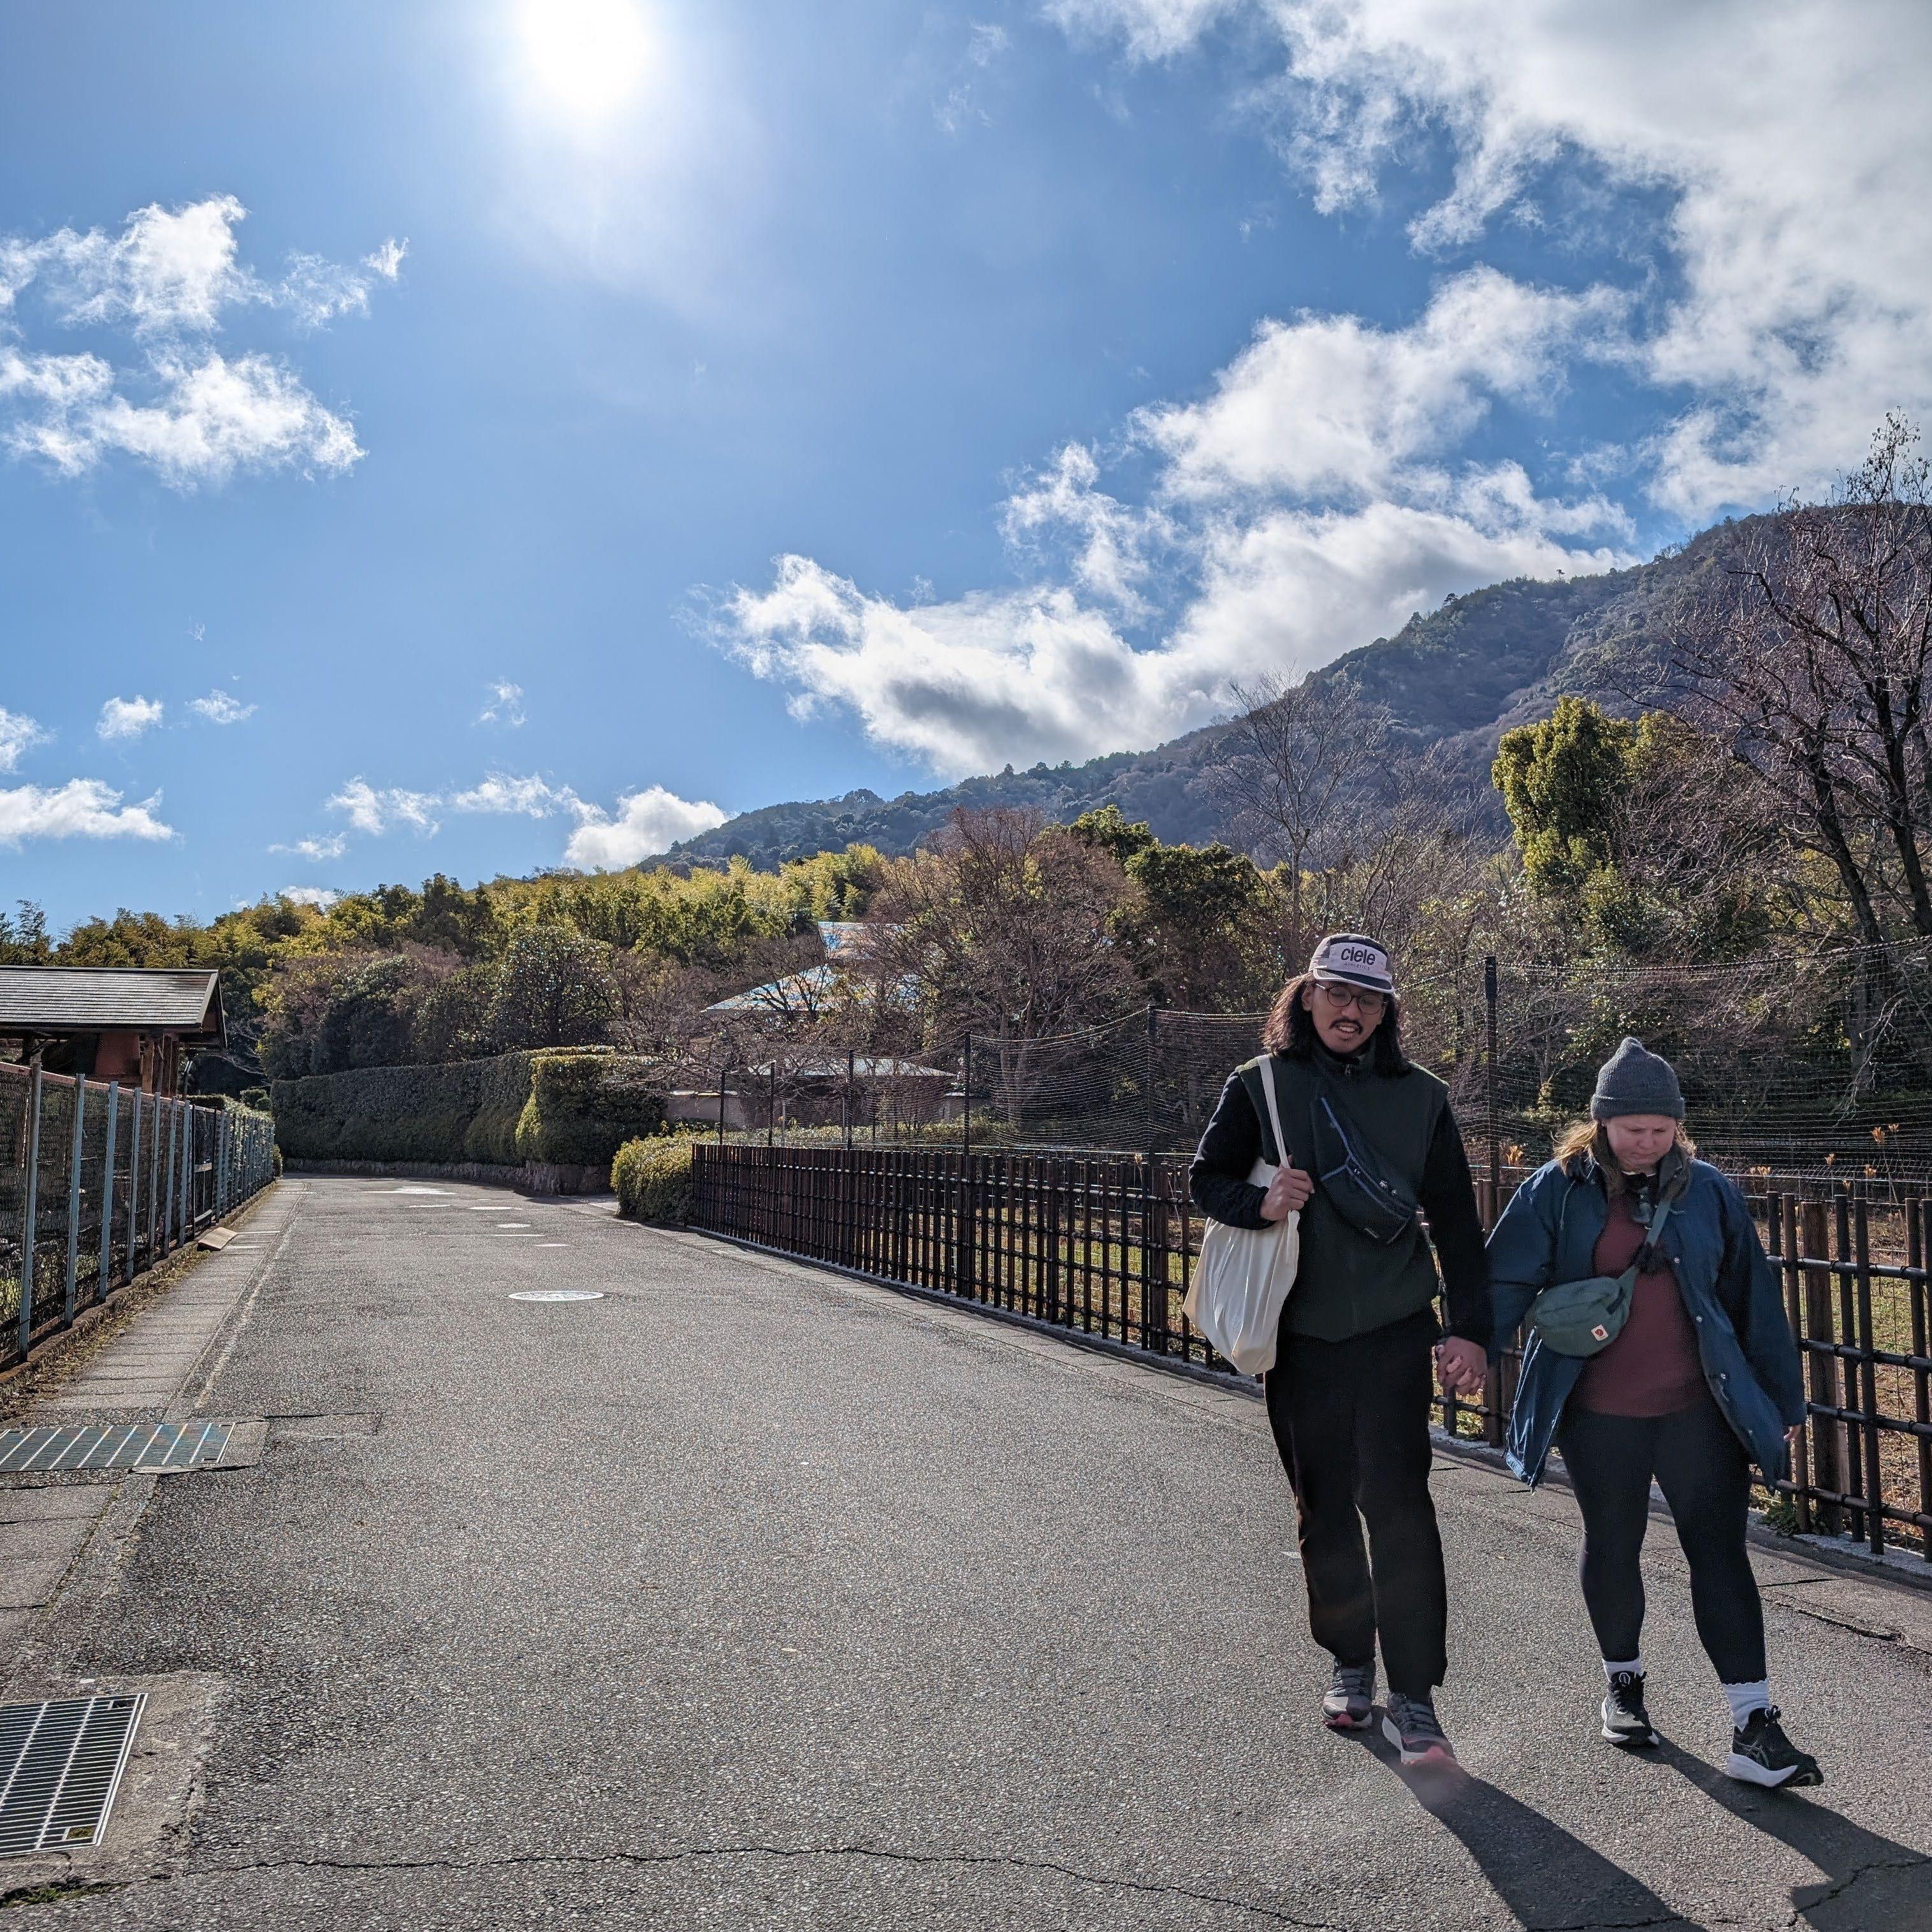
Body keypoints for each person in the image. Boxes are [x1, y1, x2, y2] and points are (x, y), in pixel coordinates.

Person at [1485, 1038, 1820, 1789]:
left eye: (1659, 1129)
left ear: (1678, 1127)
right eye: (1631, 1127)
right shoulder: (1557, 1188)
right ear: (1600, 1123)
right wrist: (1471, 1344)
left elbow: (1752, 1298)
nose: (1645, 1142)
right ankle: (1624, 1685)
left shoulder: (1709, 1191)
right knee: (1613, 1543)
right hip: (1599, 1409)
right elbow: (1504, 1275)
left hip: (1698, 1408)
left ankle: (1753, 1723)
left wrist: (1780, 1399)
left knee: (1720, 1552)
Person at [1190, 933, 1491, 1766]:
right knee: (1322, 1504)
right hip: (1301, 1331)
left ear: (1386, 1008)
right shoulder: (1259, 1084)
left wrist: (1468, 1327)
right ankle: (1348, 1661)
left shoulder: (1420, 1098)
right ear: (1306, 996)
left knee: (1398, 1504)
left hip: (1394, 1329)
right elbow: (1203, 1178)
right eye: (1333, 992)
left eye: (1366, 998)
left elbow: (1457, 1223)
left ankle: (1416, 1689)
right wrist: (1257, 1198)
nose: (1348, 1010)